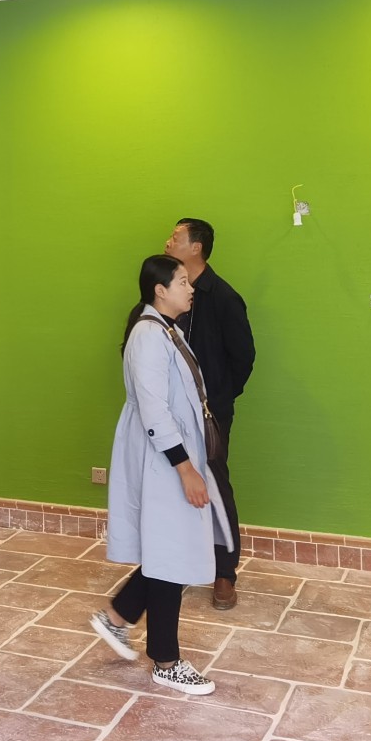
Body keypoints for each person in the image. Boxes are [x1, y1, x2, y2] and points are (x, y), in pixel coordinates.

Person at [90, 254, 232, 697]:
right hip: (165, 459)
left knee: (169, 548)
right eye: (183, 282)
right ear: (160, 290)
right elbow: (155, 410)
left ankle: (118, 617)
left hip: (172, 455)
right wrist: (185, 468)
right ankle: (166, 662)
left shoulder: (167, 331)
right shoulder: (149, 336)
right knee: (171, 553)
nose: (190, 289)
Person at [164, 219, 254, 610]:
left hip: (209, 412)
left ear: (196, 248)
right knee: (172, 482)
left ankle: (224, 573)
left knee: (214, 484)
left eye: (175, 237)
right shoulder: (165, 292)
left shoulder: (223, 297)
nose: (168, 242)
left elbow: (243, 357)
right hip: (168, 410)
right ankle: (180, 561)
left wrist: (216, 398)